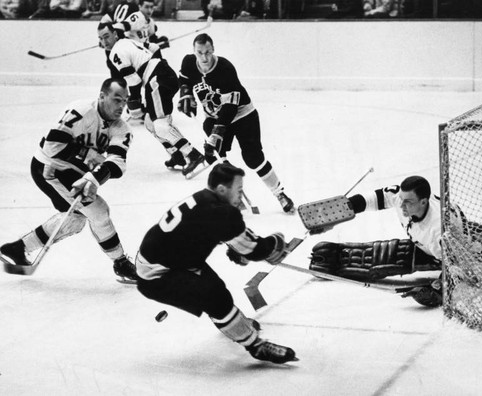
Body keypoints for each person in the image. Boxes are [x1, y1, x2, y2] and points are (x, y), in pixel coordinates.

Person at [135, 163, 297, 364]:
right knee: (215, 297)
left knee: (217, 291)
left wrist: (232, 244)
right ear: (222, 189)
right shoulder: (222, 213)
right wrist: (276, 242)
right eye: (238, 190)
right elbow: (255, 250)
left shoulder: (203, 198)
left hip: (164, 260)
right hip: (157, 276)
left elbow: (202, 230)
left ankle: (233, 324)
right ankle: (256, 346)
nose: (241, 196)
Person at [0, 78, 138, 283]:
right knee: (98, 210)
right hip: (49, 168)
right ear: (102, 96)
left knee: (75, 220)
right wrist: (86, 154)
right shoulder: (80, 111)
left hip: (75, 173)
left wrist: (93, 177)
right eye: (117, 100)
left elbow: (118, 164)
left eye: (125, 101)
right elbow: (52, 146)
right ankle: (120, 263)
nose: (121, 107)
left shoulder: (122, 129)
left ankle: (18, 248)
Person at [309, 175, 482, 306]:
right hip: (425, 240)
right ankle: (476, 234)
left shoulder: (439, 231)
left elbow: (454, 269)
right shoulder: (401, 197)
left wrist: (435, 291)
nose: (401, 205)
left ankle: (477, 244)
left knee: (398, 257)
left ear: (424, 202)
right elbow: (372, 199)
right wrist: (338, 215)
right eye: (401, 199)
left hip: (446, 249)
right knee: (388, 254)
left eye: (408, 202)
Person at [177, 34, 295, 213]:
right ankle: (231, 197)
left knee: (253, 157)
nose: (204, 58)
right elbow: (184, 79)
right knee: (215, 155)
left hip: (241, 114)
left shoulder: (225, 68)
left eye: (208, 52)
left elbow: (230, 107)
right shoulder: (188, 62)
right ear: (194, 52)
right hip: (214, 116)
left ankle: (279, 194)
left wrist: (216, 134)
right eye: (199, 53)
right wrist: (186, 94)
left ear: (213, 49)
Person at [98, 23, 205, 176]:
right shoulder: (128, 41)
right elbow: (154, 47)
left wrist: (134, 103)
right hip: (160, 75)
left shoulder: (115, 52)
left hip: (156, 79)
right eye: (101, 39)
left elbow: (133, 81)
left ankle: (194, 155)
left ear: (115, 34)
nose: (104, 42)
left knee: (160, 125)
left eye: (106, 36)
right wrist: (157, 66)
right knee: (150, 122)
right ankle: (177, 155)